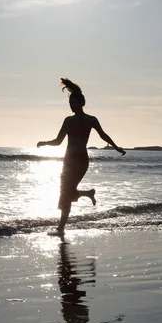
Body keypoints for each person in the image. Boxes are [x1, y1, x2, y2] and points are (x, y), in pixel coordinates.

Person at [37, 78, 125, 235]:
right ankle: (85, 197)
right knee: (66, 192)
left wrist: (116, 147)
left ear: (81, 103)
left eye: (74, 103)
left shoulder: (91, 120)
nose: (71, 106)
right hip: (68, 160)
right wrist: (44, 143)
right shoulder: (68, 120)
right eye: (69, 103)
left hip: (81, 160)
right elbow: (58, 141)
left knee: (66, 192)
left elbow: (103, 135)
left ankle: (61, 229)